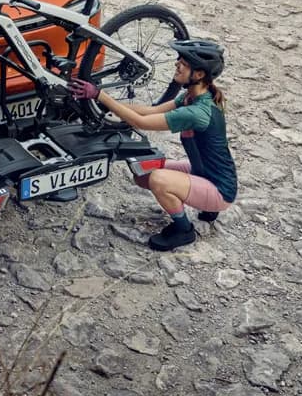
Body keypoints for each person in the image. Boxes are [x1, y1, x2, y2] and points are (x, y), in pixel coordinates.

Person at [69, 39, 237, 251]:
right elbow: (149, 111)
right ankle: (207, 209)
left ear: (199, 74)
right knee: (143, 176)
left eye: (184, 63)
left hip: (219, 190)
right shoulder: (192, 97)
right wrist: (101, 103)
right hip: (202, 172)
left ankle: (184, 230)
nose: (177, 64)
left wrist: (99, 94)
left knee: (158, 179)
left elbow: (141, 122)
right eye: (179, 60)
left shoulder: (195, 113)